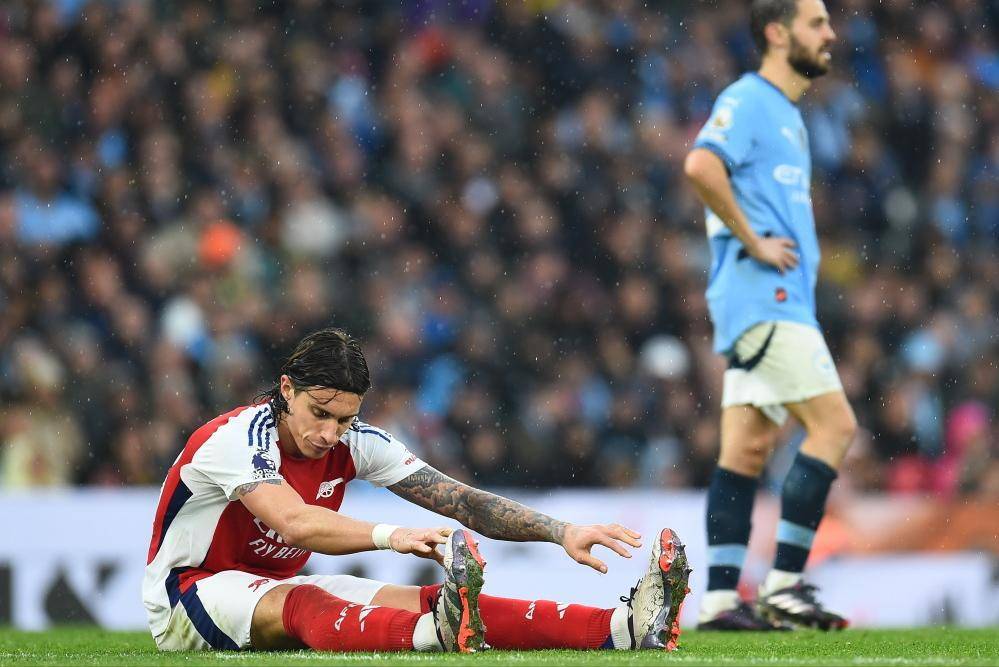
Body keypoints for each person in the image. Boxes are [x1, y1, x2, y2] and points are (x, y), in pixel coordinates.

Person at [143, 327, 691, 653]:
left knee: (429, 600)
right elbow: (294, 522)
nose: (329, 433)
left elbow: (462, 500)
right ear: (286, 389)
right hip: (189, 594)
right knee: (308, 601)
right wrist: (393, 536)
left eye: (344, 418)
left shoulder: (356, 442)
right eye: (319, 413)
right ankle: (433, 637)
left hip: (268, 588)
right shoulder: (238, 439)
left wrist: (561, 531)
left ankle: (621, 628)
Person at [683, 0, 855, 631]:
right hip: (766, 299)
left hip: (772, 300)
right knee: (835, 427)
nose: (830, 32)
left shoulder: (788, 115)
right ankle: (783, 584)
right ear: (777, 33)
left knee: (747, 450)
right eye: (817, 23)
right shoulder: (750, 99)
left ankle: (719, 601)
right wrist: (754, 242)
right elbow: (700, 164)